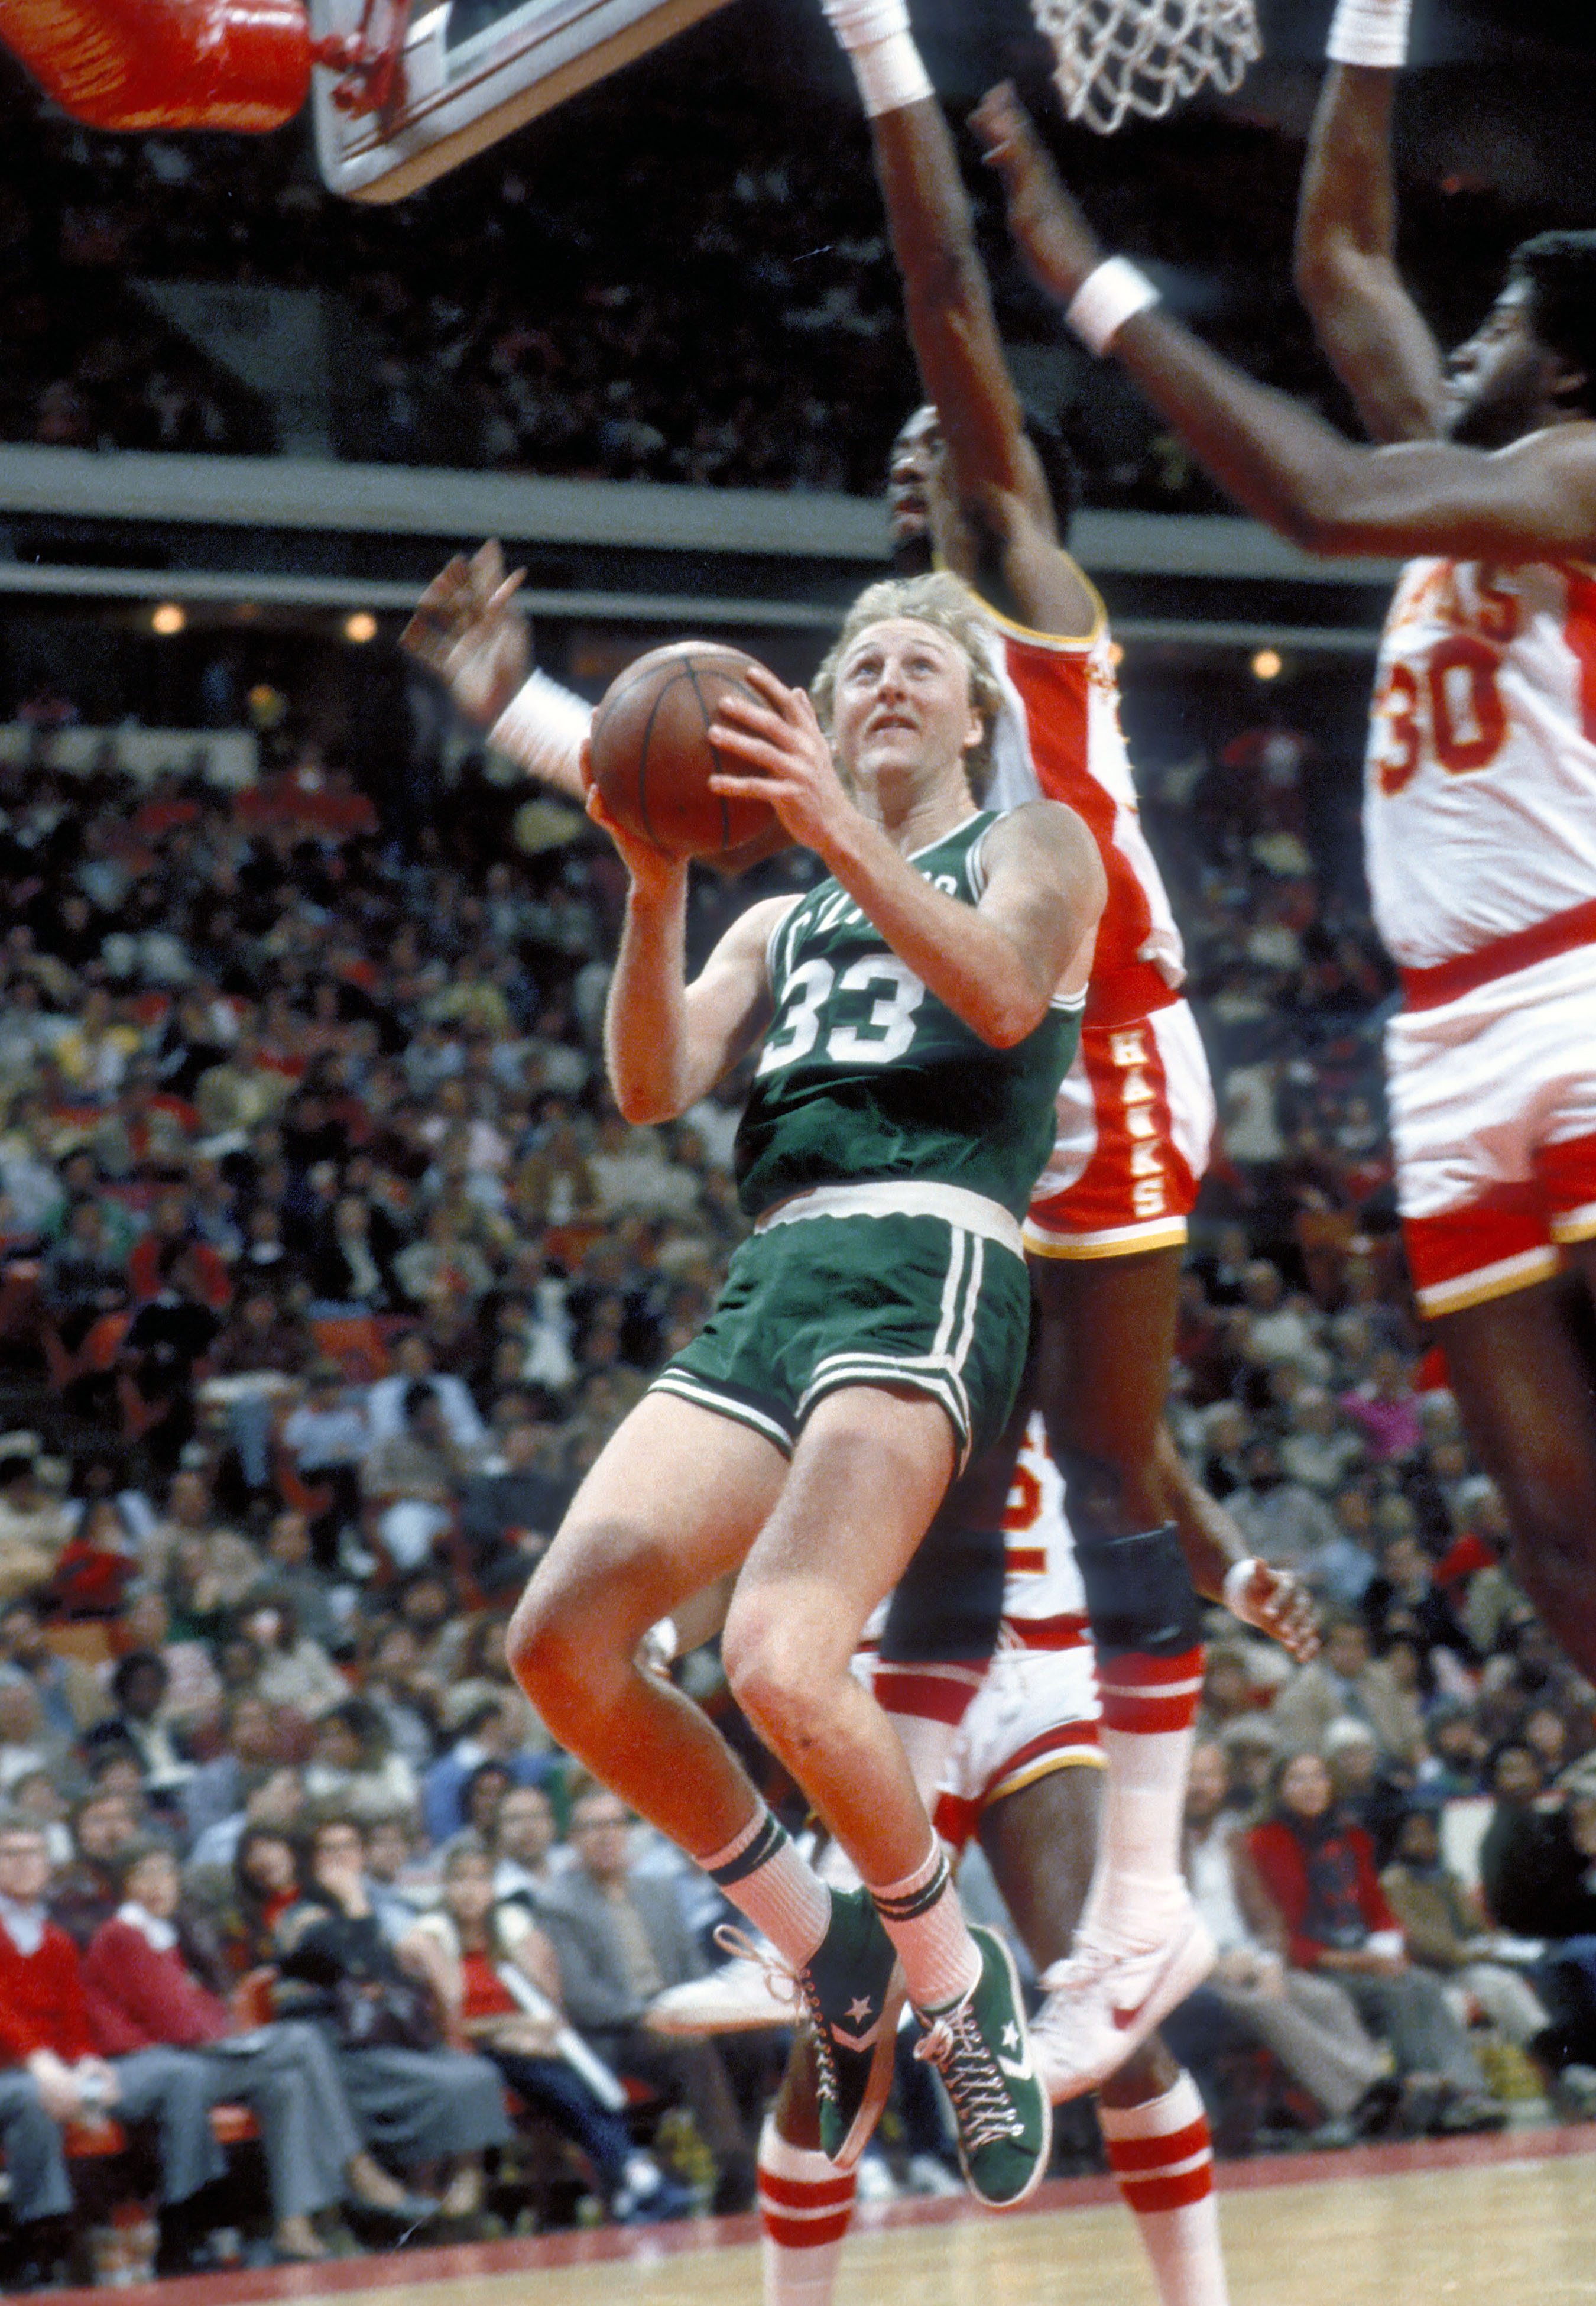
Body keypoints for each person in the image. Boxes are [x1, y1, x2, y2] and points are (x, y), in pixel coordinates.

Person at [972, 51, 1596, 1686]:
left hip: (1579, 985)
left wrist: (1085, 281)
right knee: (1550, 1521)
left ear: (1570, 378)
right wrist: (1372, 26)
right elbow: (1339, 263)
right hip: (1443, 1037)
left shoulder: (1584, 480)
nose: (1461, 350)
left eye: (1498, 334)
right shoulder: (1473, 485)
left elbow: (1314, 505)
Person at [507, 571, 1105, 2211]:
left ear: (975, 711)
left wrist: (835, 826)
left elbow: (996, 992)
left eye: (925, 663)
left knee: (778, 1648)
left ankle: (942, 1965)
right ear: (824, 708)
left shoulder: (1033, 843)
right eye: (863, 667)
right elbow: (647, 1087)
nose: (892, 682)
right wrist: (651, 884)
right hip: (773, 1273)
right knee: (559, 1644)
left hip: (933, 1253)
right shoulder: (770, 918)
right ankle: (823, 1946)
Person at [80, 1840, 434, 2262]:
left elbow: (204, 2010)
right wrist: (214, 2025)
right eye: (143, 1874)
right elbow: (180, 2022)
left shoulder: (160, 1933)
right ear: (124, 1886)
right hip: (154, 2068)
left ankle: (293, 2226)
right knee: (301, 2041)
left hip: (187, 2060)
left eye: (164, 1872)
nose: (157, 1885)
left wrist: (211, 2021)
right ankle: (360, 2168)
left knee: (286, 2084)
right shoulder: (124, 1934)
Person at [415, 1835, 695, 2224]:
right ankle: (636, 2177)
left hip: (528, 2046)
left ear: (493, 1888)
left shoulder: (512, 1937)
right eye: (459, 1880)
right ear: (445, 1887)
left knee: (577, 2081)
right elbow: (448, 2023)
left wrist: (538, 2032)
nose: (469, 1891)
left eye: (479, 1880)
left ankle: (631, 2186)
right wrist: (508, 2027)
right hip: (474, 2052)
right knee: (558, 2081)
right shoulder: (433, 1943)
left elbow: (550, 2010)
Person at [0, 1816, 228, 2283]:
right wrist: (42, 2066)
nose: (24, 1865)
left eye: (33, 1854)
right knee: (31, 2100)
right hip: (16, 2075)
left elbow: (75, 2021)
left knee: (181, 2075)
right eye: (10, 1855)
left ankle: (182, 2227)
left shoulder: (57, 1940)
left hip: (61, 2072)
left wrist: (88, 2062)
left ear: (48, 1864)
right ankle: (46, 2248)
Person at [1244, 1752, 1504, 2134]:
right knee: (1396, 1994)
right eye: (1297, 1779)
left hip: (1366, 1954)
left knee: (1424, 1983)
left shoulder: (1353, 1836)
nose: (1311, 1786)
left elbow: (1378, 1910)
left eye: (1318, 1776)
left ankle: (1466, 2092)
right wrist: (1360, 1962)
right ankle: (1428, 2097)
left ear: (1332, 1783)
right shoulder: (1265, 1842)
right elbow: (1285, 1932)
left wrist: (1387, 1947)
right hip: (1318, 1963)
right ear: (1280, 1791)